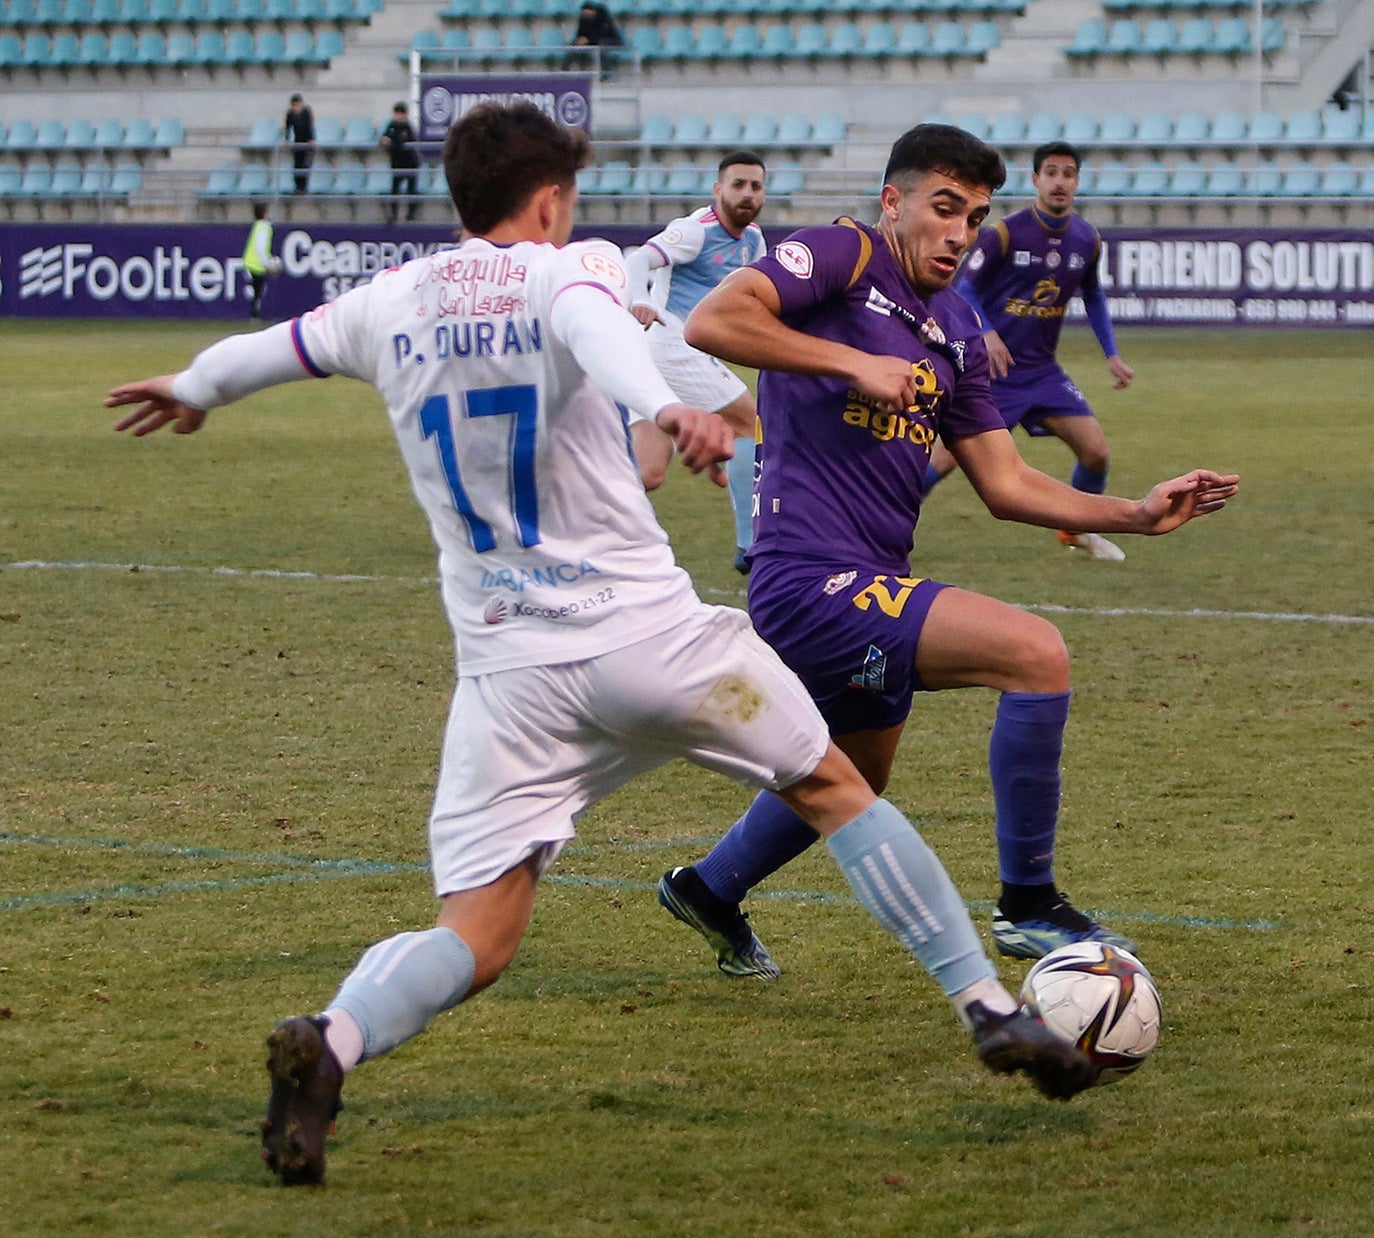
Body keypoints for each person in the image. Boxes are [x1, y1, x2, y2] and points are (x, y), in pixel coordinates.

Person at [105, 103, 1100, 1187]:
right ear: (550, 200)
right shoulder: (567, 271)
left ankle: (333, 1035)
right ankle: (990, 1008)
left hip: (507, 676)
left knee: (478, 932)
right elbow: (603, 335)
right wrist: (666, 409)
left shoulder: (387, 300)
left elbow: (271, 348)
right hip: (648, 640)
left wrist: (193, 387)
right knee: (834, 782)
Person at [657, 123, 1238, 980]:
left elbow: (1005, 483)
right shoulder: (842, 255)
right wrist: (852, 363)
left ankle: (709, 889)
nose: (960, 233)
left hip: (869, 579)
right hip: (805, 577)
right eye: (943, 209)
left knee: (860, 769)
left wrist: (1136, 512)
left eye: (974, 215)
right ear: (893, 203)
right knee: (1035, 652)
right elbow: (714, 319)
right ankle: (1028, 905)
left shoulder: (959, 326)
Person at [924, 141, 1135, 562]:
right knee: (942, 461)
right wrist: (986, 332)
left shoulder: (1086, 239)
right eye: (1051, 173)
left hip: (1042, 372)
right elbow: (964, 288)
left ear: (1077, 182)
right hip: (993, 374)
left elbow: (1092, 295)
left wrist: (1111, 353)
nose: (1060, 182)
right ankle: (877, 528)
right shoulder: (1006, 232)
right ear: (1036, 180)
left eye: (1068, 174)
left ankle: (1074, 531)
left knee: (1096, 453)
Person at [623, 150, 767, 570]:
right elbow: (638, 258)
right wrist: (639, 300)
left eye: (755, 186)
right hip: (669, 343)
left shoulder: (754, 240)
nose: (746, 194)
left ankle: (562, 511)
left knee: (647, 472)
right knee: (749, 422)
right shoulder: (695, 231)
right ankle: (749, 548)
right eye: (737, 184)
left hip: (656, 353)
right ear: (717, 189)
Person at [379, 101, 420, 224]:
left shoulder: (408, 127)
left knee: (411, 189)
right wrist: (385, 141)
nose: (399, 116)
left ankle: (411, 214)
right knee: (395, 189)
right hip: (396, 163)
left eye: (401, 113)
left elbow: (405, 142)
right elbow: (383, 139)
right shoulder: (391, 125)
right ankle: (393, 214)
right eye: (397, 113)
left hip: (410, 163)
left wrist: (393, 142)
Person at [241, 201, 279, 320]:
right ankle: (255, 314)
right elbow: (260, 247)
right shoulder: (264, 227)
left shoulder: (258, 225)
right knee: (258, 291)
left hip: (251, 263)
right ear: (265, 213)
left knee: (257, 291)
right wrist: (268, 264)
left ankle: (254, 314)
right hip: (256, 265)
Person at [566, 1, 623, 75]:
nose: (585, 14)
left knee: (602, 47)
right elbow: (580, 32)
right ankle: (564, 70)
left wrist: (588, 40)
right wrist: (580, 39)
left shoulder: (603, 18)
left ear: (593, 11)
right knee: (573, 46)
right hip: (592, 41)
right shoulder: (583, 19)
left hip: (610, 40)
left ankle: (605, 73)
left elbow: (604, 33)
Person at [284, 93, 315, 195]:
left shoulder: (306, 112)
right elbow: (287, 128)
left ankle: (304, 187)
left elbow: (310, 126)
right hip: (297, 142)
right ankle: (297, 187)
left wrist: (311, 139)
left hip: (306, 142)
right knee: (297, 165)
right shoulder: (290, 114)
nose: (297, 107)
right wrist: (287, 139)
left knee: (305, 165)